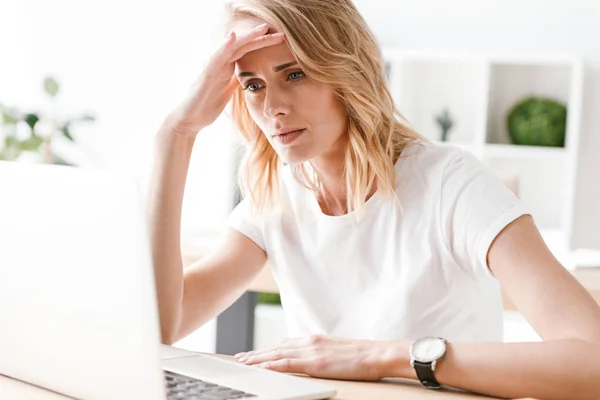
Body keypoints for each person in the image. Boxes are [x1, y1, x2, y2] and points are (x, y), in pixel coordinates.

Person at [147, 0, 600, 398]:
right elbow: (164, 325)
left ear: (348, 71)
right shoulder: (275, 199)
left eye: (295, 73)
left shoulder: (452, 185)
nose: (272, 107)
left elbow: (593, 364)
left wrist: (382, 357)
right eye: (253, 84)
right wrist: (176, 135)